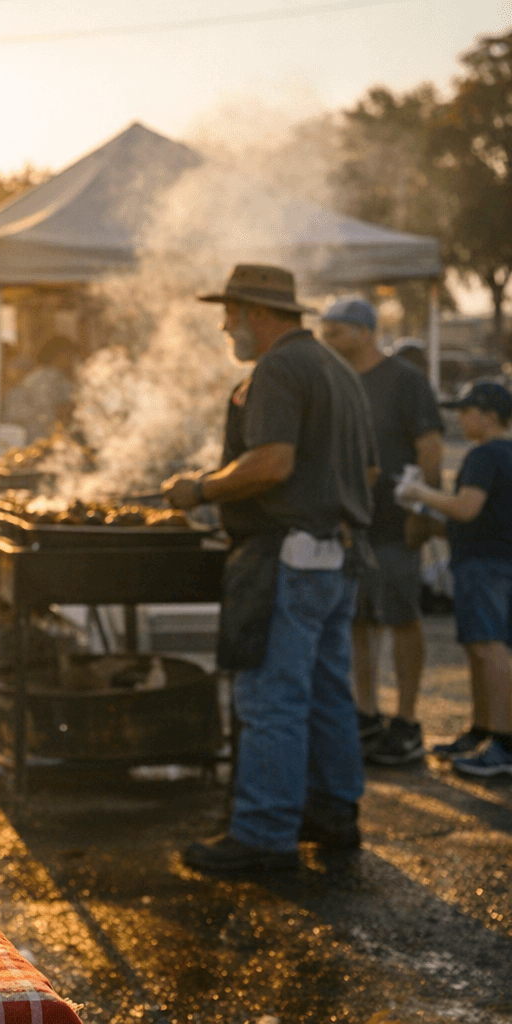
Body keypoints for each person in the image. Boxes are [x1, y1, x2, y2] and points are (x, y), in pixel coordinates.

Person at [163, 264, 377, 872]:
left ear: (257, 313)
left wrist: (200, 489)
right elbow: (364, 474)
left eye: (228, 314)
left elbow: (273, 463)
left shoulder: (279, 367)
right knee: (328, 693)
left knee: (271, 699)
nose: (225, 326)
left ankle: (264, 833)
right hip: (334, 555)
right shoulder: (338, 370)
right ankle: (334, 815)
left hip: (286, 555)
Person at [319, 299, 443, 765]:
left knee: (402, 618)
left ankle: (407, 721)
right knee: (357, 619)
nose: (327, 341)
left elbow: (429, 446)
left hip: (395, 524)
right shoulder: (337, 380)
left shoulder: (405, 382)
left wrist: (422, 510)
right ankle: (366, 712)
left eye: (336, 332)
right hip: (353, 524)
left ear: (364, 332)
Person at [397, 381, 512, 777]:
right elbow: (487, 520)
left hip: (482, 567)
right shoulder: (509, 455)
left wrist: (419, 493)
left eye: (466, 411)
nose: (460, 419)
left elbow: (465, 508)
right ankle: (482, 731)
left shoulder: (483, 455)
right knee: (482, 648)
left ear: (490, 415)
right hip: (500, 561)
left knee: (490, 649)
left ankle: (504, 743)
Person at [6, 336, 76, 441]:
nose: (72, 360)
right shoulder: (46, 377)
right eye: (69, 355)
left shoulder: (50, 375)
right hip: (36, 436)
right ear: (58, 355)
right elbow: (45, 412)